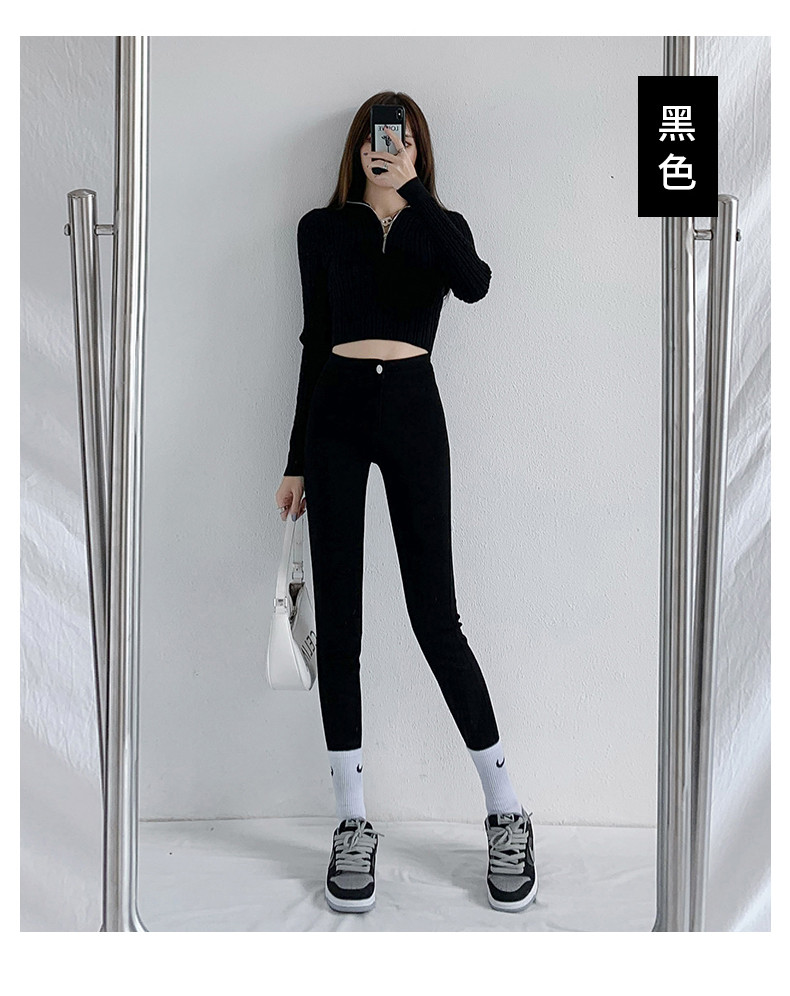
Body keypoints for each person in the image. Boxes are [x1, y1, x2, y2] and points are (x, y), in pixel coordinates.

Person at [274, 92, 537, 915]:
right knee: (342, 624)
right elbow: (313, 342)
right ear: (356, 148)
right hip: (337, 415)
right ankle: (352, 820)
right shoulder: (322, 229)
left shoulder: (437, 224)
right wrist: (295, 461)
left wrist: (414, 193)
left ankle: (505, 808)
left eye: (401, 138)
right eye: (374, 137)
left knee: (436, 618)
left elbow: (476, 284)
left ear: (418, 149)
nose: (383, 147)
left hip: (414, 411)